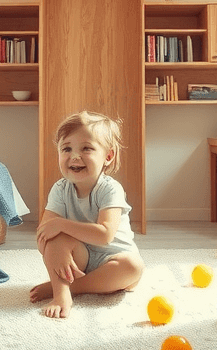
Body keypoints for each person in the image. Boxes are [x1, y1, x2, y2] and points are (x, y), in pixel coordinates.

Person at [29, 111, 145, 318]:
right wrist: (57, 248)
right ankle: (61, 294)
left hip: (113, 259)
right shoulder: (60, 189)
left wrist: (62, 225)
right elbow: (43, 234)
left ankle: (70, 288)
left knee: (134, 267)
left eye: (86, 148)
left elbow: (104, 235)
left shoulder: (110, 189)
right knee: (53, 237)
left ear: (108, 156)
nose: (75, 156)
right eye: (66, 148)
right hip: (78, 258)